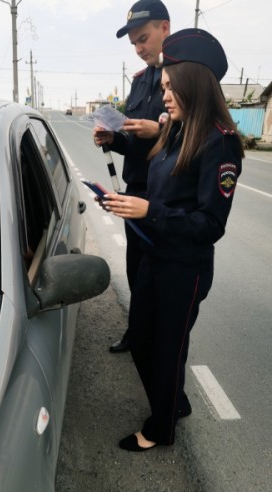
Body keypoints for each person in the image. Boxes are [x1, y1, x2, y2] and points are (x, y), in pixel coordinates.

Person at [101, 28, 244, 450]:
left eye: (169, 86)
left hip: (185, 268)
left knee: (166, 348)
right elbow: (157, 182)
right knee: (143, 341)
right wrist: (129, 200)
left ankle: (160, 429)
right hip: (154, 253)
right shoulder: (176, 130)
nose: (163, 95)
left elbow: (209, 224)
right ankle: (174, 401)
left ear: (191, 83)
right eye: (162, 86)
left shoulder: (221, 143)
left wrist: (151, 211)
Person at [93, 0, 170, 353]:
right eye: (134, 44)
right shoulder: (139, 83)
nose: (139, 49)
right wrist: (115, 138)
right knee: (136, 266)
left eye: (143, 39)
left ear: (164, 29)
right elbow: (134, 142)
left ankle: (162, 338)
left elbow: (197, 138)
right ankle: (137, 333)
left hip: (165, 194)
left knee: (162, 272)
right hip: (135, 187)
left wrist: (161, 133)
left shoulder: (185, 75)